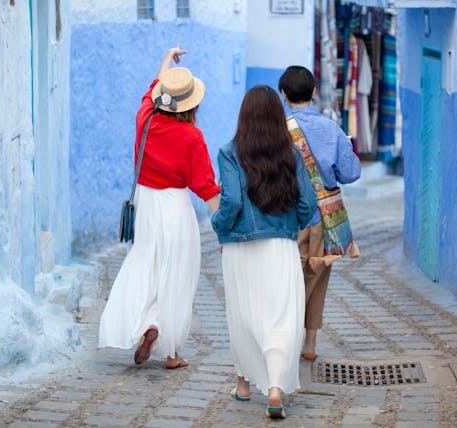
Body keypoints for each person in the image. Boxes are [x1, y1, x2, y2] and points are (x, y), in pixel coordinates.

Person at [98, 45, 220, 370]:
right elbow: (206, 186)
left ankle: (147, 321)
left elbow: (155, 84)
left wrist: (167, 56)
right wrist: (224, 230)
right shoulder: (192, 137)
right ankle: (172, 352)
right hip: (176, 206)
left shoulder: (144, 118)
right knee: (176, 275)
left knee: (146, 264)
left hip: (147, 204)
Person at [211, 85, 317, 419]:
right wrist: (293, 224)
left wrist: (220, 227)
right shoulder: (292, 153)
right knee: (281, 317)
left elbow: (231, 202)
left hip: (241, 248)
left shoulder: (230, 152)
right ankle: (274, 390)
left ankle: (243, 385)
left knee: (242, 314)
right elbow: (308, 204)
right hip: (280, 247)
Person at [278, 66, 361, 361]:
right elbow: (350, 173)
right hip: (325, 218)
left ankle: (283, 339)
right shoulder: (331, 129)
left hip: (289, 216)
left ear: (284, 95)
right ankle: (310, 344)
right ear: (314, 93)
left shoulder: (278, 130)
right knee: (318, 276)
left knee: (286, 277)